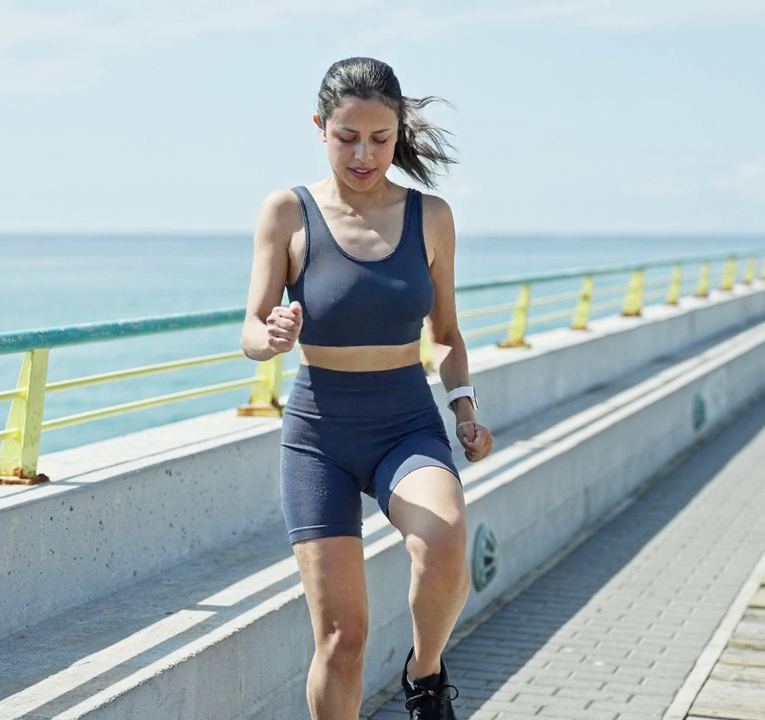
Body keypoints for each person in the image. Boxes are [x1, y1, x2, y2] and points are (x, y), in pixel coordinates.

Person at [241, 57, 493, 720]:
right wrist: (269, 336)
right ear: (320, 128)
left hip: (404, 422)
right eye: (347, 136)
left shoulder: (430, 217)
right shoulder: (286, 212)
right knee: (342, 640)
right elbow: (250, 324)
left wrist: (463, 407)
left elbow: (445, 333)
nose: (364, 154)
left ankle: (426, 674)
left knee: (443, 543)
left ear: (398, 132)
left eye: (381, 139)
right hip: (319, 434)